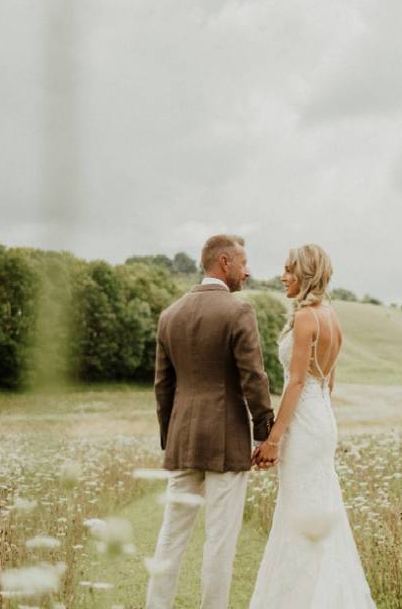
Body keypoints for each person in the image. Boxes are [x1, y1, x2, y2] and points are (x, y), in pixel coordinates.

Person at [145, 234, 275, 609]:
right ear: (224, 262)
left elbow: (162, 386)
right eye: (242, 263)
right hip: (226, 440)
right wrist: (263, 434)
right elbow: (254, 378)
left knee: (171, 534)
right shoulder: (238, 312)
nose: (247, 271)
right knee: (220, 539)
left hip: (183, 439)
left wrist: (170, 437)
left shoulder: (169, 315)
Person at [249, 244, 376, 608]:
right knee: (317, 509)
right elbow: (328, 383)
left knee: (298, 514)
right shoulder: (331, 316)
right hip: (322, 419)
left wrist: (274, 439)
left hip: (305, 424)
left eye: (289, 270)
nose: (282, 276)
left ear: (305, 275)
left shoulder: (307, 318)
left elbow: (297, 382)